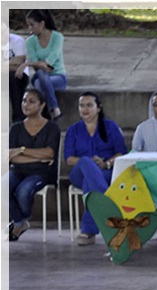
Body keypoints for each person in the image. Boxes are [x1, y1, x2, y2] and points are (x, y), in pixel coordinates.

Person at [64, 91, 127, 246]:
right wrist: (90, 163)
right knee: (86, 162)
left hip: (106, 171)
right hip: (79, 172)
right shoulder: (73, 129)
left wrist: (106, 164)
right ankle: (105, 200)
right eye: (81, 105)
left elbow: (121, 153)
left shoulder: (110, 126)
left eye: (89, 105)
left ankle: (88, 231)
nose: (85, 109)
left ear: (98, 108)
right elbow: (69, 159)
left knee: (89, 184)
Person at [8, 88, 60, 241]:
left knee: (24, 190)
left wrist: (22, 150)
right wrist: (38, 156)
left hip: (42, 172)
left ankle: (19, 221)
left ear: (41, 105)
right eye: (24, 100)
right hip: (18, 170)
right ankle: (20, 222)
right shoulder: (16, 128)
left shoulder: (51, 128)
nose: (26, 104)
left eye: (31, 101)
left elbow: (50, 154)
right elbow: (11, 157)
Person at [18, 10, 67, 121]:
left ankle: (42, 118)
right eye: (28, 25)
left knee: (40, 84)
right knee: (40, 74)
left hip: (58, 76)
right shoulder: (30, 41)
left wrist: (27, 64)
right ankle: (54, 110)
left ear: (41, 24)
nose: (30, 28)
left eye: (32, 25)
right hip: (41, 75)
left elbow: (50, 61)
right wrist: (37, 64)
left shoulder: (57, 37)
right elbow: (38, 66)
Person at [5, 27, 31, 123]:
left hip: (19, 75)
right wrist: (11, 64)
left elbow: (19, 62)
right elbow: (15, 63)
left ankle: (18, 119)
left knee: (14, 78)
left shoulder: (17, 41)